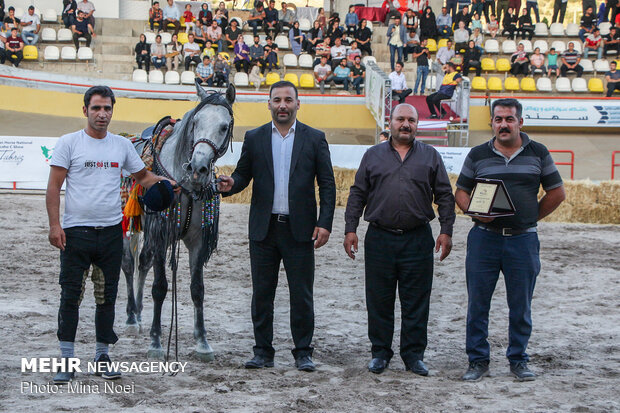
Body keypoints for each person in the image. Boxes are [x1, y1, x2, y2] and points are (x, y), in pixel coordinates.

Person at [47, 86, 178, 384]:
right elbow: (54, 186)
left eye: (107, 108)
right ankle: (66, 358)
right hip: (74, 233)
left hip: (110, 233)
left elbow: (142, 177)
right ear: (85, 111)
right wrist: (55, 226)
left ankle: (102, 356)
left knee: (106, 298)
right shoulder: (69, 143)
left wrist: (168, 183)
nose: (102, 114)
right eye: (96, 108)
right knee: (70, 296)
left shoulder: (120, 145)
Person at [217, 81, 336, 373]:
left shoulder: (315, 138)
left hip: (301, 230)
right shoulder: (255, 137)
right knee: (262, 294)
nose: (282, 105)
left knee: (302, 295)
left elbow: (328, 186)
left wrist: (325, 223)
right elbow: (243, 175)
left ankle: (303, 352)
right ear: (268, 104)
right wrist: (231, 185)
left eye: (288, 100)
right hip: (263, 229)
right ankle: (262, 352)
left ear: (298, 104)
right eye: (277, 100)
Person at [455, 98, 565, 382]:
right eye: (498, 119)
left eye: (509, 119)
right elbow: (461, 192)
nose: (503, 124)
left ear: (520, 122)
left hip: (523, 242)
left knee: (521, 304)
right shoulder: (478, 154)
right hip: (484, 239)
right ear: (492, 122)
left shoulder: (538, 152)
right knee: (478, 304)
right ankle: (478, 361)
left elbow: (557, 193)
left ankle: (518, 359)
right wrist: (476, 212)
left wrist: (529, 219)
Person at [343, 103, 455, 376]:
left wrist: (446, 230)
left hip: (418, 239)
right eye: (400, 119)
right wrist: (350, 228)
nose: (406, 124)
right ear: (390, 122)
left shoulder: (431, 156)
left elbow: (444, 195)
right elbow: (358, 194)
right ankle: (380, 353)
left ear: (417, 125)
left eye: (411, 120)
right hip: (379, 238)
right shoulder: (372, 156)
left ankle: (413, 355)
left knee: (416, 300)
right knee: (379, 300)